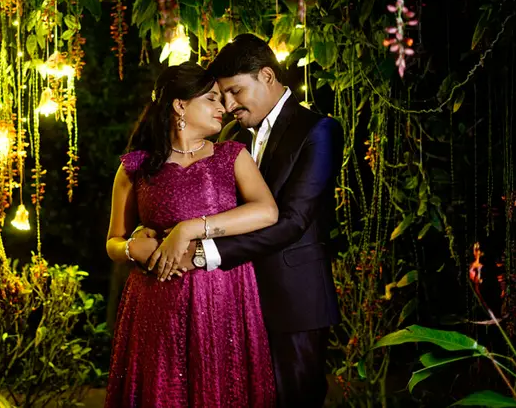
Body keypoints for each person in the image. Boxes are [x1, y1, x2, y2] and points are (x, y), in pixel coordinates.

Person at [171, 34, 343, 407]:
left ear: (267, 75)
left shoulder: (318, 131)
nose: (229, 105)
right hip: (235, 299)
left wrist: (205, 253)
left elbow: (293, 221)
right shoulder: (233, 139)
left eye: (235, 91)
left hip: (295, 300)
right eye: (222, 95)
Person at [104, 62, 278, 408]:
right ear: (180, 105)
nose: (223, 108)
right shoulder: (135, 167)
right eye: (212, 99)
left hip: (223, 295)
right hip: (157, 298)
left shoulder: (231, 156)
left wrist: (190, 229)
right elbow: (113, 242)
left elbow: (267, 211)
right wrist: (133, 250)